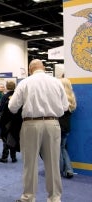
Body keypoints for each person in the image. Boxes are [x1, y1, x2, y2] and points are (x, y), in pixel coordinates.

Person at [8, 59, 69, 202]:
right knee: (53, 163)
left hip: (31, 124)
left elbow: (12, 107)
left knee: (30, 163)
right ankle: (54, 197)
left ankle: (28, 197)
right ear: (44, 68)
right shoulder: (56, 82)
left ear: (30, 70)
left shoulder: (25, 83)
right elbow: (65, 107)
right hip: (53, 123)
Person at [0, 81, 22, 163]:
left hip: (7, 121)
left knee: (6, 139)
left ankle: (4, 157)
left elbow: (0, 109)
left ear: (6, 87)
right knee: (13, 137)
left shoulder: (5, 96)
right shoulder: (18, 96)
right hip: (17, 120)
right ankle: (13, 157)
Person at [59, 77, 77, 179]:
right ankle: (69, 170)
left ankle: (58, 171)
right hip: (67, 127)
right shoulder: (72, 98)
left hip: (58, 127)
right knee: (63, 148)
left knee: (57, 150)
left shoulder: (59, 98)